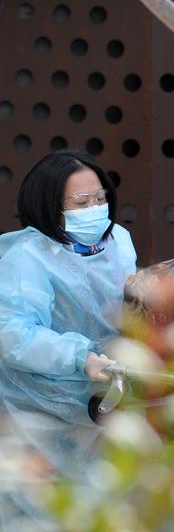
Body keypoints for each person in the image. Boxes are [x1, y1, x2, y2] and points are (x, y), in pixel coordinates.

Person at [0, 150, 136, 491]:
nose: (95, 209)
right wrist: (79, 357)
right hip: (43, 397)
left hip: (108, 387)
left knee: (129, 492)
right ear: (50, 206)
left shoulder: (118, 241)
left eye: (100, 198)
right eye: (82, 202)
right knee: (46, 502)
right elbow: (14, 335)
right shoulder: (27, 257)